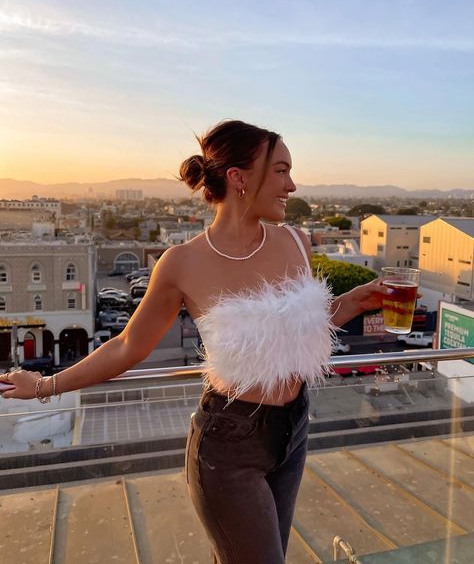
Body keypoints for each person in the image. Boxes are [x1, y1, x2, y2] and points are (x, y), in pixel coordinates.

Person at [0, 120, 386, 563]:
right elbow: (128, 346)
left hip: (294, 429)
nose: (292, 185)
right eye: (280, 171)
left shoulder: (297, 241)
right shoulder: (182, 263)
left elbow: (298, 332)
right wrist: (46, 386)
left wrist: (353, 302)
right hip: (229, 445)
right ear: (239, 178)